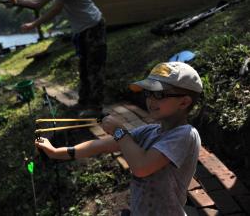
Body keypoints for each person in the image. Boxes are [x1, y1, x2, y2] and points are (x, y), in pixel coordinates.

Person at [35, 62, 202, 216]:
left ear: (183, 102)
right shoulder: (150, 131)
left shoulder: (185, 135)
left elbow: (142, 167)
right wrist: (58, 152)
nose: (150, 100)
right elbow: (101, 145)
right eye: (148, 93)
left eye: (159, 94)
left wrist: (119, 131)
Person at [6, 0, 106, 117]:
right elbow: (38, 3)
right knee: (83, 67)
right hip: (81, 30)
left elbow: (56, 9)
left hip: (93, 26)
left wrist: (33, 24)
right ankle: (84, 103)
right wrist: (17, 1)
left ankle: (96, 108)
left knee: (94, 68)